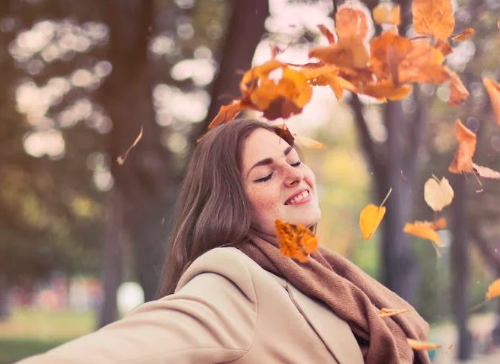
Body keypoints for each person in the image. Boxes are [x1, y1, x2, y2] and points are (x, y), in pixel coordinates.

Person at [17, 119, 430, 364]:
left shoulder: (328, 275)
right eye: (265, 175)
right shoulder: (235, 280)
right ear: (233, 205)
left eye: (293, 159)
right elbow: (119, 351)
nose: (293, 175)